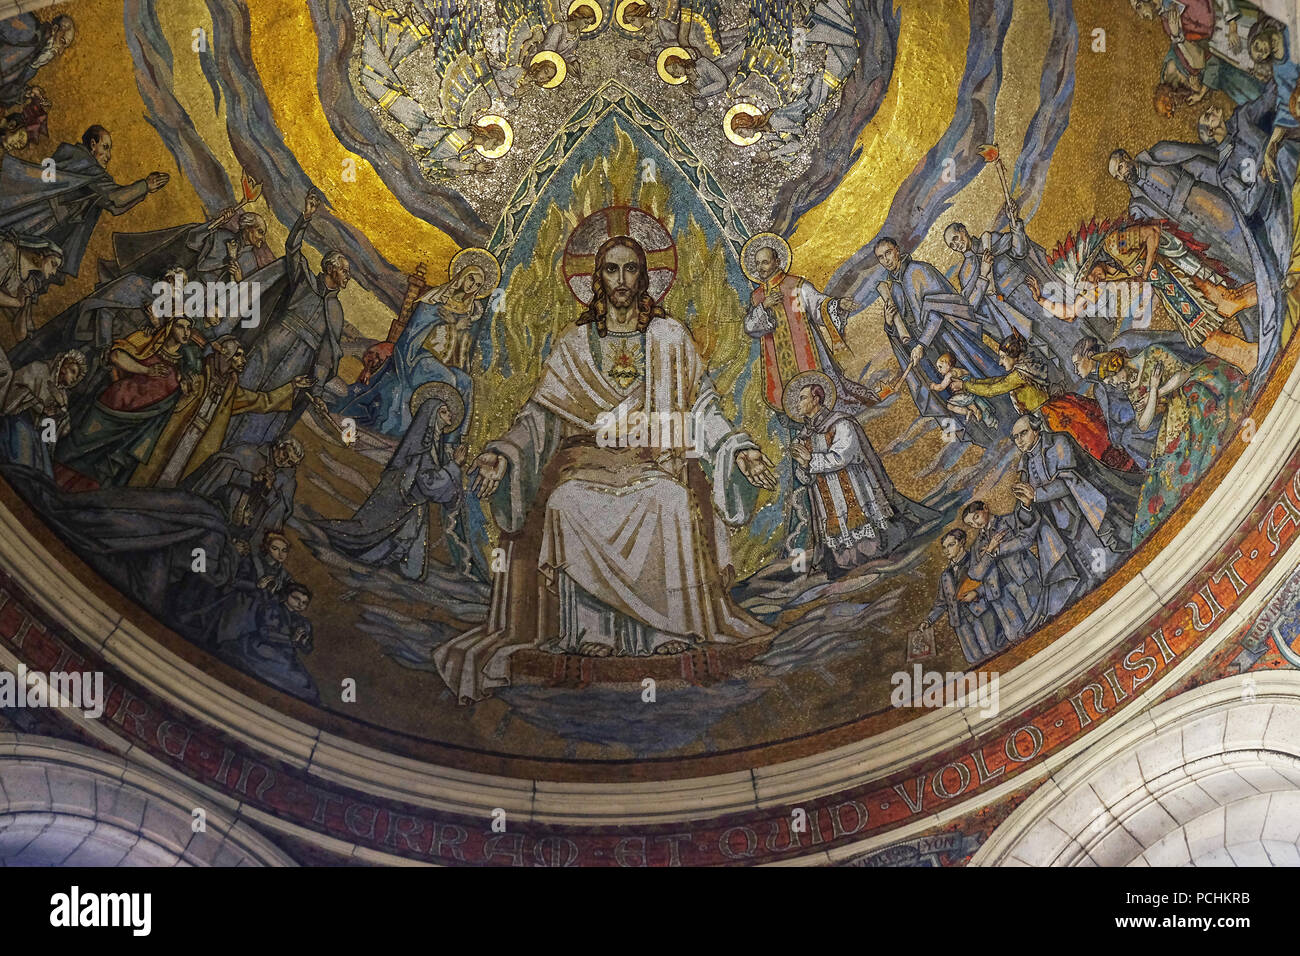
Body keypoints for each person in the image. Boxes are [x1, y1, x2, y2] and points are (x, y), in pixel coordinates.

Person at [434, 233, 778, 701]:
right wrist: (502, 452)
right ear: (596, 279)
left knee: (671, 501)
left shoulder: (670, 339)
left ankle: (666, 631)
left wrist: (739, 448)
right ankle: (590, 633)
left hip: (652, 464)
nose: (621, 279)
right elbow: (539, 419)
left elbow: (703, 409)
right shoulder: (575, 345)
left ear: (646, 277)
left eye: (631, 268)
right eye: (611, 269)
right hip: (588, 466)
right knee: (565, 502)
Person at [787, 371, 938, 578]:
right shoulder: (803, 436)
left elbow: (842, 456)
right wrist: (803, 467)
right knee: (840, 533)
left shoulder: (840, 422)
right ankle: (847, 564)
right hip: (827, 496)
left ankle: (880, 551)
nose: (798, 403)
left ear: (816, 399)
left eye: (803, 398)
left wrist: (810, 461)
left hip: (854, 485)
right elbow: (804, 477)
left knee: (866, 529)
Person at [225, 192, 346, 446]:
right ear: (330, 267)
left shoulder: (336, 310)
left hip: (300, 358)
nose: (347, 277)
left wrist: (318, 389)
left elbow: (327, 352)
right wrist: (306, 217)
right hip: (277, 337)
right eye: (344, 271)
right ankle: (219, 426)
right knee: (248, 379)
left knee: (275, 402)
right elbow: (292, 249)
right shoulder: (305, 279)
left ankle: (245, 448)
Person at [1095, 345, 1247, 545]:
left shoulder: (1152, 354)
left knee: (1199, 419)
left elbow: (1183, 374)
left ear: (1118, 365)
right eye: (1110, 383)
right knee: (1162, 474)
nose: (1115, 385)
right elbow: (1143, 422)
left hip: (1189, 390)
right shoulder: (1130, 387)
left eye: (1113, 379)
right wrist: (1153, 392)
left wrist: (1157, 390)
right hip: (1172, 416)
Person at [317, 381, 467, 581]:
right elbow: (428, 482)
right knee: (393, 537)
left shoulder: (432, 443)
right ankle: (366, 568)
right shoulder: (422, 445)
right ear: (434, 414)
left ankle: (385, 571)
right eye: (446, 413)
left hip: (413, 502)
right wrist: (454, 466)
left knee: (403, 540)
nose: (451, 418)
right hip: (404, 499)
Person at [874, 236, 1009, 446]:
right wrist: (889, 323)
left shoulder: (918, 271)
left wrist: (922, 344)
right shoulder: (893, 289)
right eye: (881, 258)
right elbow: (903, 330)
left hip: (949, 342)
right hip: (927, 355)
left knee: (975, 378)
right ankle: (986, 438)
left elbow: (939, 312)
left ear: (897, 250)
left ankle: (1008, 421)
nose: (886, 260)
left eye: (888, 253)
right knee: (950, 396)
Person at [130, 335, 312, 488]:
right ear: (225, 355)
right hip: (176, 433)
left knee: (178, 481)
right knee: (152, 473)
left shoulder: (230, 389)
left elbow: (261, 401)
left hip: (199, 443)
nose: (243, 360)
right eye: (238, 356)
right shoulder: (199, 372)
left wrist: (291, 386)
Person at [0, 126, 170, 281]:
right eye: (105, 147)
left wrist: (144, 190)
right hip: (43, 215)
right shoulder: (83, 162)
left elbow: (114, 205)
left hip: (57, 225)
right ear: (93, 144)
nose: (108, 156)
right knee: (12, 245)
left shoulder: (88, 172)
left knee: (21, 259)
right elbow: (115, 197)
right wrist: (145, 185)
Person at [53, 316, 201, 491]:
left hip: (139, 424)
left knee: (104, 466)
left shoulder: (183, 365)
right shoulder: (146, 339)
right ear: (169, 326)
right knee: (77, 446)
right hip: (111, 408)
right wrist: (147, 370)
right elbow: (115, 355)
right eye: (180, 326)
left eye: (189, 327)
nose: (186, 332)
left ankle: (74, 496)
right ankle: (49, 478)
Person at [963, 331, 1141, 473]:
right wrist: (968, 381)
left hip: (1052, 416)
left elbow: (993, 388)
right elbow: (995, 383)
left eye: (1003, 357)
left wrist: (966, 384)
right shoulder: (1023, 368)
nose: (1000, 362)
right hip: (1056, 408)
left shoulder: (1019, 374)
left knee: (1089, 440)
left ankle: (1122, 465)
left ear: (1013, 355)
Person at [742, 233, 874, 415]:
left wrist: (837, 304)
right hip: (778, 360)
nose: (760, 268)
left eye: (764, 262)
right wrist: (765, 305)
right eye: (757, 264)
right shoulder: (757, 297)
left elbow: (819, 306)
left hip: (809, 350)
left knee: (828, 391)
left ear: (777, 261)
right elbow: (750, 328)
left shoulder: (796, 285)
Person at [1009, 415, 1134, 601]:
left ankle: (1126, 585)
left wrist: (1035, 495)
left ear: (1036, 429)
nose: (1019, 441)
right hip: (1058, 528)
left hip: (1083, 511)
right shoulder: (1024, 466)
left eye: (1023, 433)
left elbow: (1069, 480)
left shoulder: (1058, 441)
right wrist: (1026, 506)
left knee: (1107, 559)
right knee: (1088, 570)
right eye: (1015, 437)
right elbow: (1028, 516)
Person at [183, 436, 305, 553]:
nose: (284, 462)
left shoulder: (288, 481)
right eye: (285, 454)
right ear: (278, 446)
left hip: (244, 529)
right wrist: (251, 479)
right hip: (217, 512)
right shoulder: (246, 451)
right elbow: (220, 469)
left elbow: (282, 511)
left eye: (289, 462)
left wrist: (269, 490)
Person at [919, 529, 1004, 666]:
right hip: (960, 623)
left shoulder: (978, 560)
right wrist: (928, 620)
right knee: (975, 661)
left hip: (981, 614)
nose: (947, 550)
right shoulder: (945, 575)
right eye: (945, 547)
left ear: (962, 543)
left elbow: (993, 582)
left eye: (951, 545)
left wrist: (976, 593)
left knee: (995, 652)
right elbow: (942, 603)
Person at [1072, 335, 1159, 470]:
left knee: (1129, 437)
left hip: (1141, 416)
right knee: (1127, 439)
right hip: (1131, 426)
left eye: (1077, 364)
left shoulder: (1112, 364)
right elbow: (1111, 417)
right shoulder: (1098, 387)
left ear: (1089, 355)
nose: (1075, 370)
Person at [961, 499, 1042, 643]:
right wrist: (989, 553)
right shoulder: (976, 546)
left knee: (1038, 621)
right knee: (1016, 634)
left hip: (1023, 579)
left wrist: (998, 549)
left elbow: (1026, 539)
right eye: (971, 524)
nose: (975, 524)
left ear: (985, 508)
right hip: (998, 592)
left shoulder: (1009, 520)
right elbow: (975, 574)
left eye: (976, 517)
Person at [225, 582, 319, 704]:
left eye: (304, 603)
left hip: (287, 654)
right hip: (263, 647)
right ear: (286, 596)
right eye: (296, 599)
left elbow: (307, 649)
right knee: (286, 671)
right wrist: (291, 640)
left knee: (306, 684)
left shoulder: (304, 622)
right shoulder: (272, 609)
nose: (300, 604)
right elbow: (266, 633)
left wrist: (304, 642)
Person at [0, 350, 85, 475]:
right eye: (73, 372)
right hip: (18, 418)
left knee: (42, 456)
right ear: (63, 366)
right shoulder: (38, 369)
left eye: (76, 377)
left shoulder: (62, 396)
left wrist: (58, 416)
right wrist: (41, 408)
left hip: (37, 431)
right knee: (25, 443)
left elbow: (54, 430)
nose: (74, 379)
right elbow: (17, 389)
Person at [0, 13, 74, 107]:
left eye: (64, 47)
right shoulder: (28, 28)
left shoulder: (33, 66)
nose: (60, 51)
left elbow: (4, 93)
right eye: (62, 41)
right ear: (55, 29)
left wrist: (28, 92)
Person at [0, 232, 61, 345]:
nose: (54, 272)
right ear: (41, 254)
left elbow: (20, 335)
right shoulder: (8, 252)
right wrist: (16, 302)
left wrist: (24, 304)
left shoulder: (30, 284)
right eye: (53, 264)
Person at [925, 351, 998, 427]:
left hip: (965, 394)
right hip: (971, 393)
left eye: (940, 367)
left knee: (950, 406)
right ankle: (976, 411)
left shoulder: (950, 374)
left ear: (948, 365)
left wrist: (933, 386)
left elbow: (941, 387)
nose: (939, 370)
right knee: (969, 402)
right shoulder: (961, 370)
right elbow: (968, 376)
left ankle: (967, 412)